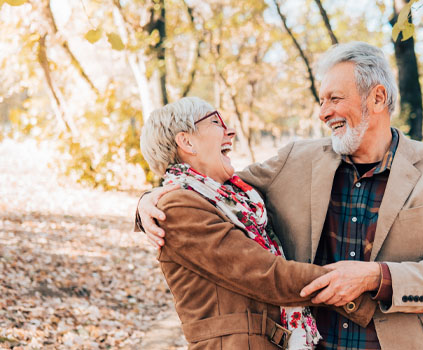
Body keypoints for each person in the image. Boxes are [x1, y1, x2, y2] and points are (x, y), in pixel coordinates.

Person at [137, 42, 423, 350]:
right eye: (321, 100)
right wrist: (147, 201)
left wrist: (376, 276)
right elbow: (211, 188)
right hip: (312, 343)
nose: (323, 112)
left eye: (335, 99)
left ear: (377, 98)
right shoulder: (296, 160)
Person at [138, 96, 377, 350]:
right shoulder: (178, 208)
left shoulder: (235, 198)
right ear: (187, 141)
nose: (230, 130)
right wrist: (355, 288)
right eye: (216, 121)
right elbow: (266, 274)